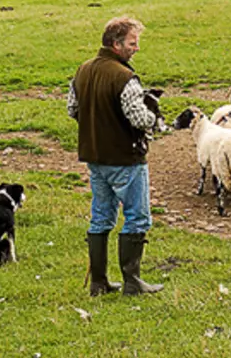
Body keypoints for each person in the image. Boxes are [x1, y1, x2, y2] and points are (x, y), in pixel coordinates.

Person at [68, 16, 164, 296]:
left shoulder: (82, 70)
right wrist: (154, 117)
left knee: (101, 217)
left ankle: (99, 282)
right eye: (132, 43)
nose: (136, 48)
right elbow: (138, 118)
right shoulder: (125, 77)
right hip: (125, 158)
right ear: (115, 44)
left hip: (94, 157)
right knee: (137, 218)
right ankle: (133, 282)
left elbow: (72, 109)